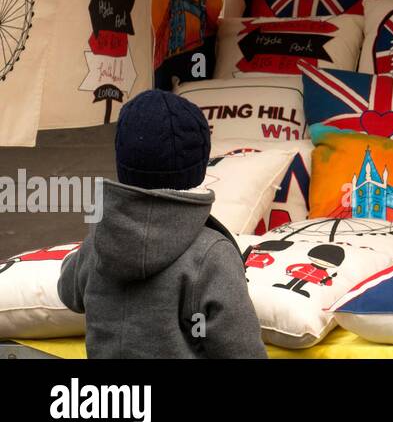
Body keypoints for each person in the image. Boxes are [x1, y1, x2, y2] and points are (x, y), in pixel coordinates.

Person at [57, 90, 267, 359]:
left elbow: (69, 293)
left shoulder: (99, 242)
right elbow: (241, 350)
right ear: (200, 165)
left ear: (123, 161)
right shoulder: (212, 254)